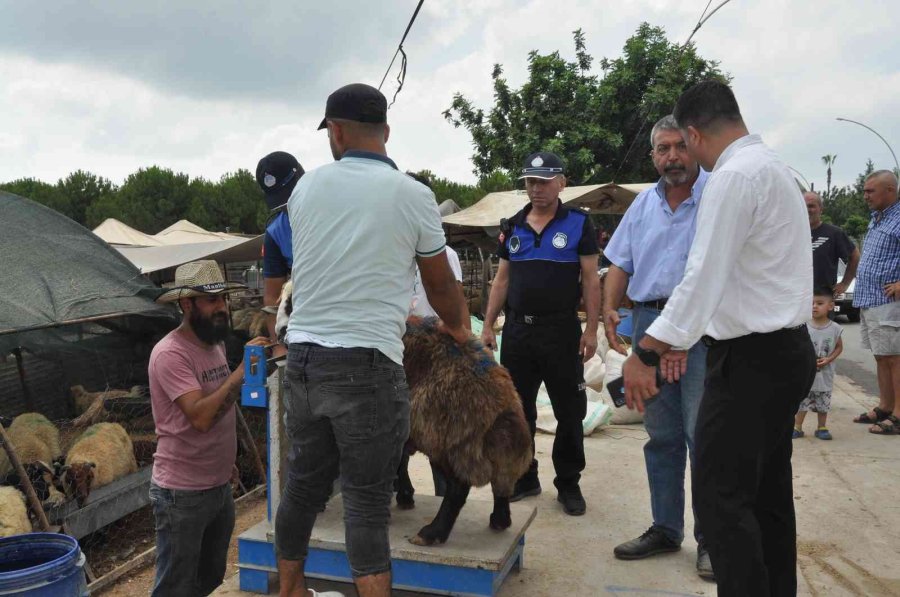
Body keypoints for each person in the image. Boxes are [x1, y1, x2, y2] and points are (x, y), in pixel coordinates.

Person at [621, 80, 816, 596]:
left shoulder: (732, 177)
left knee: (721, 496)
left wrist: (647, 351)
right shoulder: (772, 168)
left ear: (693, 133)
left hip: (751, 360)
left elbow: (701, 278)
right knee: (767, 494)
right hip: (785, 350)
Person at [275, 83, 469, 597]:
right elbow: (439, 284)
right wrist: (461, 330)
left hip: (304, 360)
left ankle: (290, 590)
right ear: (385, 131)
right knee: (365, 502)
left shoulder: (305, 188)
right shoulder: (414, 195)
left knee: (302, 487)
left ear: (336, 132)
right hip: (368, 363)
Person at [603, 115, 713, 580]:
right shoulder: (643, 205)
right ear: (653, 156)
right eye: (663, 149)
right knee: (662, 435)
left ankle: (712, 540)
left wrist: (679, 336)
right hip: (648, 323)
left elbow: (713, 276)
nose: (672, 157)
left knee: (702, 436)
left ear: (695, 146)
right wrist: (609, 310)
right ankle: (666, 529)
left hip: (703, 329)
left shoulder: (716, 197)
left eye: (680, 147)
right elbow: (619, 263)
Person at [481, 151, 600, 516]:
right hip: (518, 332)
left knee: (570, 411)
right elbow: (502, 280)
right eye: (531, 182)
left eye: (545, 182)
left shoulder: (579, 224)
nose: (537, 189)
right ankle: (524, 477)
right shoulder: (513, 226)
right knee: (518, 412)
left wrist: (591, 329)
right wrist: (487, 325)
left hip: (561, 332)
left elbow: (591, 280)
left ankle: (568, 483)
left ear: (561, 183)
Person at [148, 260, 269, 597]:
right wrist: (242, 371)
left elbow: (222, 404)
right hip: (182, 494)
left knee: (211, 580)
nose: (222, 308)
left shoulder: (214, 344)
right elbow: (201, 418)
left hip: (217, 485)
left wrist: (226, 461)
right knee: (176, 587)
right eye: (212, 300)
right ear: (187, 304)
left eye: (223, 299)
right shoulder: (170, 354)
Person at [407, 171, 467, 497]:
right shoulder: (392, 250)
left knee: (436, 425)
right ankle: (401, 490)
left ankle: (446, 497)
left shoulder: (446, 254)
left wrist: (466, 345)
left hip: (435, 349)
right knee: (402, 424)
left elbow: (455, 298)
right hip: (400, 350)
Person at [851, 170, 900, 435]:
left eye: (871, 191)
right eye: (864, 191)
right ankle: (885, 406)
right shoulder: (877, 218)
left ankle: (899, 415)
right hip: (870, 299)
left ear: (890, 190)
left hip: (889, 301)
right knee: (881, 356)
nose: (865, 196)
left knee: (895, 358)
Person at [256, 151, 305, 357]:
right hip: (307, 320)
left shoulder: (336, 210)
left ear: (301, 176)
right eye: (281, 202)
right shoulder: (275, 233)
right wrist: (278, 346)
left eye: (290, 197)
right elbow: (272, 296)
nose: (288, 207)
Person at [794, 286, 843, 440]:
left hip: (825, 375)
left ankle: (821, 427)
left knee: (823, 403)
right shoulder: (803, 326)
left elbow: (839, 347)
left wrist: (829, 359)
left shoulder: (835, 328)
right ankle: (797, 427)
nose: (814, 306)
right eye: (812, 303)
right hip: (806, 375)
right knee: (802, 402)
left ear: (830, 306)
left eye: (820, 303)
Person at [806, 191, 859, 293]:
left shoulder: (834, 233)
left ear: (821, 209)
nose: (807, 210)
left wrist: (845, 284)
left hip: (823, 297)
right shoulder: (793, 233)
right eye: (803, 206)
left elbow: (855, 255)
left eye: (811, 206)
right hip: (796, 296)